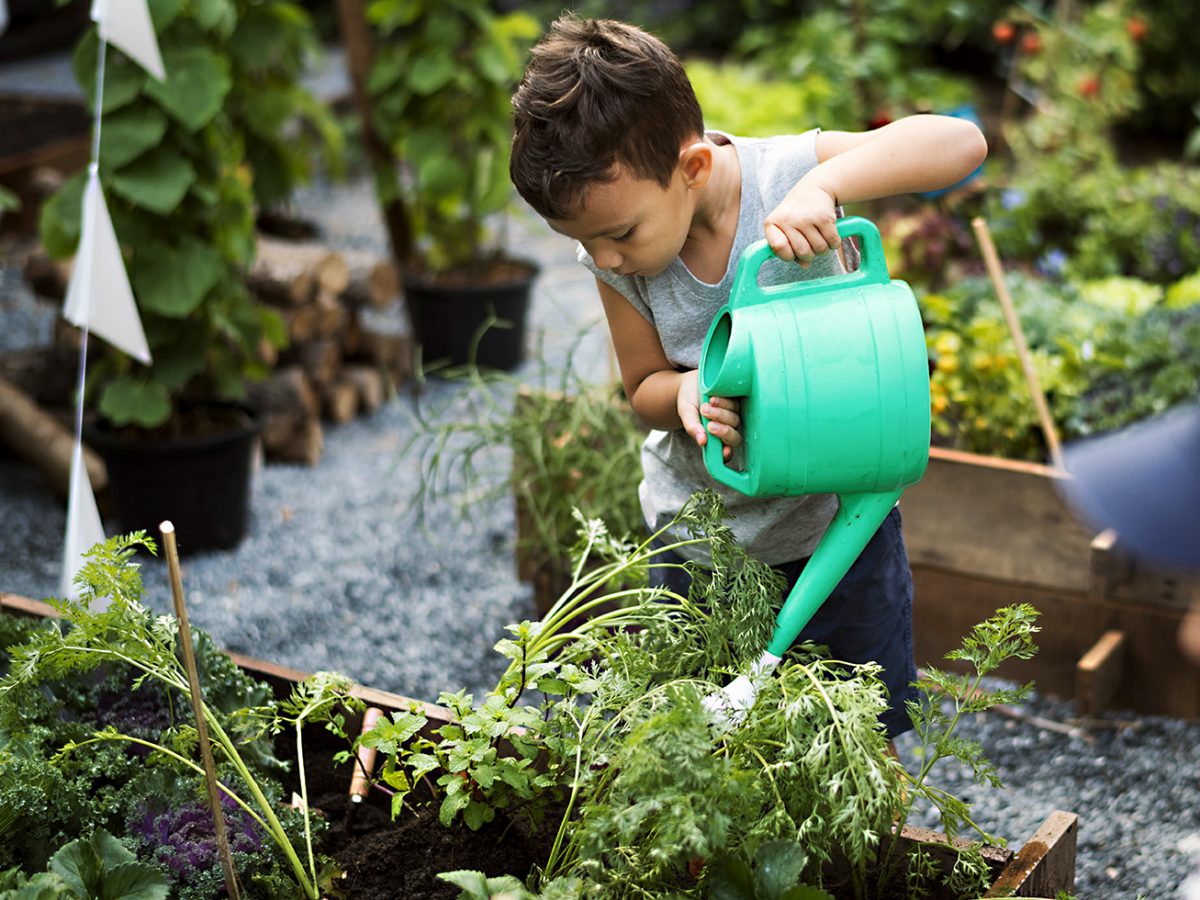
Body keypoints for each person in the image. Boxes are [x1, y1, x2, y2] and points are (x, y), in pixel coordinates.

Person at [509, 14, 988, 739]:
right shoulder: (620, 261)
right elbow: (641, 388)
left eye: (618, 234)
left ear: (692, 168)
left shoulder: (786, 177)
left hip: (839, 533)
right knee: (713, 753)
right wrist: (686, 394)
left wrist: (825, 184)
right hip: (702, 553)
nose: (604, 258)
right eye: (583, 241)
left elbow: (963, 144)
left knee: (858, 743)